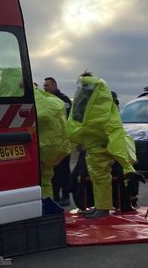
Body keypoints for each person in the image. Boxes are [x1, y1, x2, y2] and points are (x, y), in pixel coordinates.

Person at [67, 71, 137, 218]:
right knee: (97, 176)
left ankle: (103, 208)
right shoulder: (96, 101)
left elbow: (103, 126)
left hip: (100, 146)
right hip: (94, 145)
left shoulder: (96, 103)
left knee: (101, 176)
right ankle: (100, 206)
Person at [43, 77, 72, 206]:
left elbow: (68, 119)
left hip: (63, 140)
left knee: (63, 170)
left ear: (54, 85)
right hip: (52, 142)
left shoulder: (64, 100)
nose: (45, 88)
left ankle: (65, 196)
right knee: (53, 171)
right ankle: (55, 196)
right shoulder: (46, 101)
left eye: (47, 86)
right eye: (44, 86)